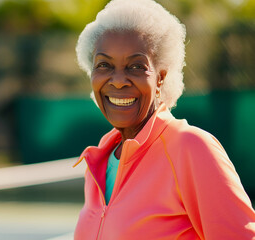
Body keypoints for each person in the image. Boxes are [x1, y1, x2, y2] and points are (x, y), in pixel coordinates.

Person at [72, 0, 255, 239]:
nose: (118, 80)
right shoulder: (99, 161)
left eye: (136, 66)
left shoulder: (191, 147)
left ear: (160, 78)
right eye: (104, 65)